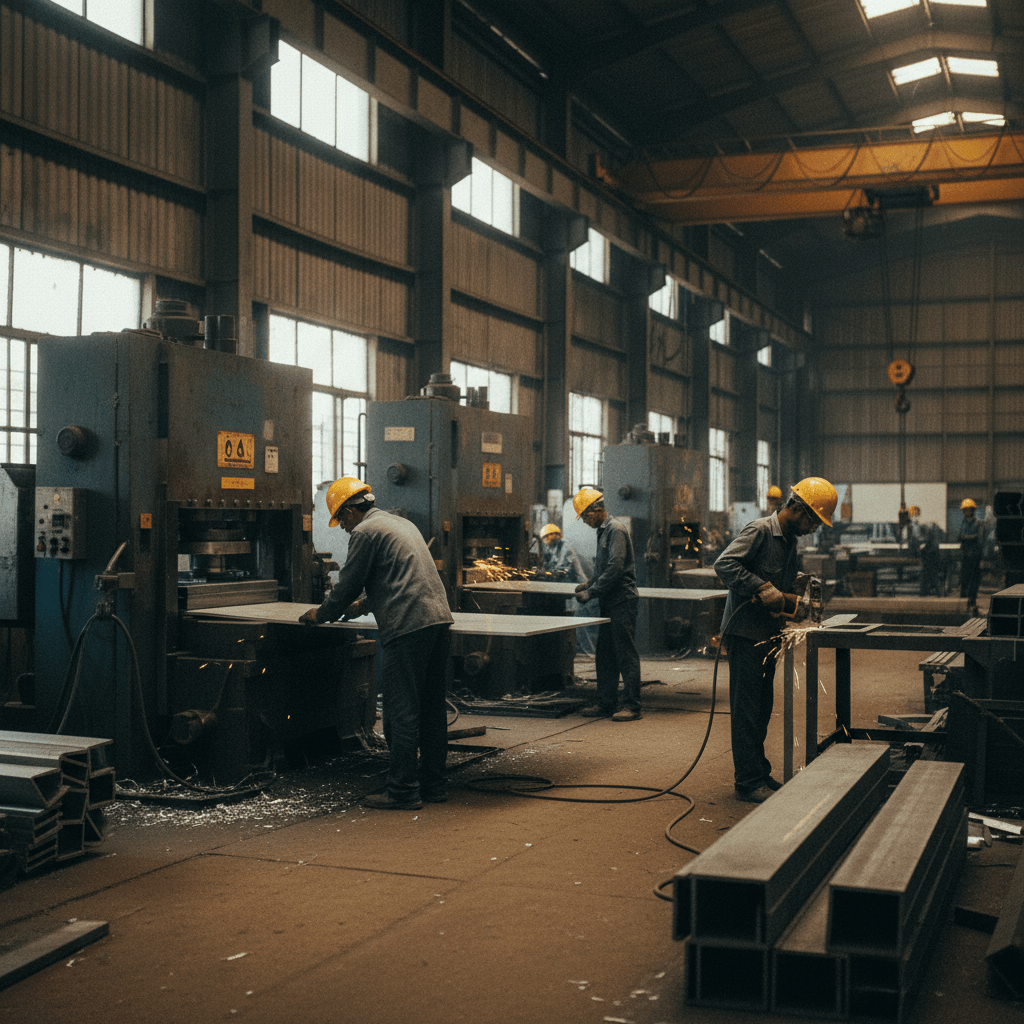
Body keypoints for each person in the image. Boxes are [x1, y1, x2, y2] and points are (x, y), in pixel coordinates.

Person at [298, 476, 453, 810]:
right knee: (431, 709)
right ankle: (435, 787)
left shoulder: (365, 532)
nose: (340, 527)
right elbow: (393, 575)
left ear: (352, 510)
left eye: (340, 519)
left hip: (408, 626)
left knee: (402, 713)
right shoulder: (399, 524)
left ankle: (402, 792)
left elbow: (348, 584)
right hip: (438, 622)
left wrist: (321, 613)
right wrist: (362, 606)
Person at [714, 476, 839, 804]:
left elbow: (780, 583)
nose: (814, 528)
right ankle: (747, 781)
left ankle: (758, 770)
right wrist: (760, 587)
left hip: (768, 635)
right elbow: (724, 564)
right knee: (746, 710)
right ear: (797, 508)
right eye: (813, 520)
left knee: (762, 708)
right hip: (744, 634)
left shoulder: (790, 542)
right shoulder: (760, 531)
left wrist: (797, 587)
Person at [571, 487, 643, 722]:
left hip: (622, 600)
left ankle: (632, 706)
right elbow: (603, 569)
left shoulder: (616, 530)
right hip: (609, 601)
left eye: (584, 516)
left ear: (596, 509)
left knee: (625, 654)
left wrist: (591, 592)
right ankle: (606, 702)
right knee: (605, 655)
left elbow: (616, 568)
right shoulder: (603, 532)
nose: (584, 521)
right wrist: (588, 583)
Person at [958, 498, 983, 617]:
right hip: (965, 557)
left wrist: (966, 538)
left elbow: (979, 539)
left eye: (968, 510)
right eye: (965, 510)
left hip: (975, 557)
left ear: (972, 510)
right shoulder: (963, 523)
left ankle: (972, 603)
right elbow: (960, 537)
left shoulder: (978, 523)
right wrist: (970, 538)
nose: (966, 512)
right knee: (964, 580)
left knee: (974, 581)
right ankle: (962, 604)